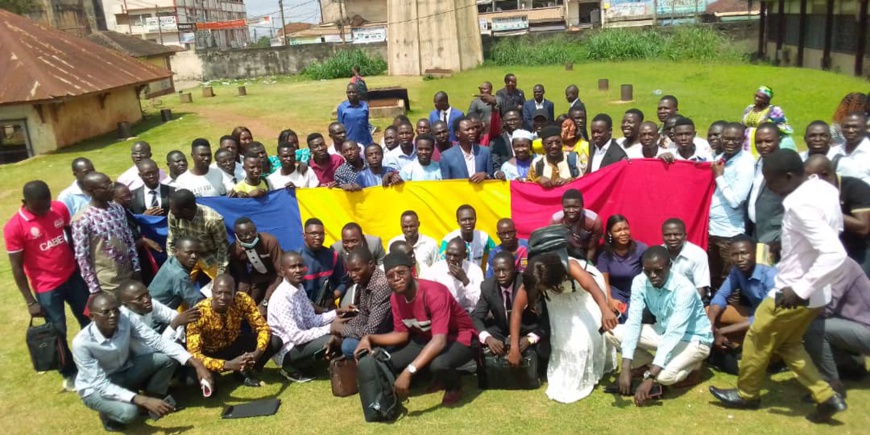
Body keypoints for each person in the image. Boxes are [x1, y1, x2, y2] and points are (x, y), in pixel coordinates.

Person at [710, 149, 848, 423]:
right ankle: (826, 396)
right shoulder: (823, 188)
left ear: (788, 177)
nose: (768, 187)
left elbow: (834, 252)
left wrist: (800, 288)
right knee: (788, 344)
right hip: (818, 293)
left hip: (792, 291)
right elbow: (831, 229)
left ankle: (747, 394)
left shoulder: (799, 204)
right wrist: (789, 244)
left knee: (757, 338)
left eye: (770, 181)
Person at [72, 293, 212, 432]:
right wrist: (142, 401)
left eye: (115, 310)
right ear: (92, 317)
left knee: (168, 358)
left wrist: (197, 363)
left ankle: (154, 400)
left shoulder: (125, 319)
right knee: (130, 413)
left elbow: (157, 340)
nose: (113, 315)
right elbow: (100, 384)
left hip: (125, 370)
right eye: (106, 312)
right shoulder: (82, 344)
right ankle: (107, 414)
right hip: (95, 388)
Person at [354, 252, 479, 407]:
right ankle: (430, 377)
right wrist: (369, 338)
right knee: (388, 362)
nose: (396, 278)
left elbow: (439, 341)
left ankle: (454, 387)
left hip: (460, 337)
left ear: (412, 271)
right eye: (390, 276)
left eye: (401, 272)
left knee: (439, 364)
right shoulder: (396, 297)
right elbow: (401, 334)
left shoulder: (435, 293)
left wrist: (409, 370)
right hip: (427, 338)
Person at [5, 180, 90, 390]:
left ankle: (95, 359)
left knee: (89, 318)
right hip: (47, 287)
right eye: (39, 206)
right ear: (25, 202)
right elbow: (16, 267)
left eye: (46, 204)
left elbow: (69, 233)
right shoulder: (14, 227)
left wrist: (79, 263)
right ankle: (69, 372)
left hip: (72, 276)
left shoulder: (58, 208)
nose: (45, 210)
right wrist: (30, 301)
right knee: (57, 332)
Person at [607, 246, 713, 405]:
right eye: (647, 271)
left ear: (670, 266)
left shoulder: (685, 289)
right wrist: (626, 367)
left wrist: (651, 377)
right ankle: (647, 367)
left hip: (693, 339)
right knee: (613, 333)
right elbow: (634, 322)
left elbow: (674, 335)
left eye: (658, 270)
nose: (652, 276)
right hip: (662, 331)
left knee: (664, 377)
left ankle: (694, 366)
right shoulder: (640, 281)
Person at [508, 250, 616, 403]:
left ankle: (594, 369)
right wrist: (514, 347)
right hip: (557, 301)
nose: (540, 290)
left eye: (542, 287)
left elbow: (591, 286)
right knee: (564, 339)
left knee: (587, 337)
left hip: (584, 294)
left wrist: (605, 310)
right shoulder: (533, 278)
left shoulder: (571, 267)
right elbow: (517, 311)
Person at [187, 274, 281, 387]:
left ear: (234, 292)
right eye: (218, 292)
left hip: (235, 345)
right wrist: (228, 364)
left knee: (274, 341)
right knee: (192, 380)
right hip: (211, 353)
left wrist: (256, 354)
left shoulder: (242, 299)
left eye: (228, 293)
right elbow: (194, 354)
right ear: (212, 292)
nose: (222, 297)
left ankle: (245, 370)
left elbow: (263, 328)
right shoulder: (198, 313)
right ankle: (220, 373)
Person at [267, 251, 348, 382]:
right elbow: (297, 337)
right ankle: (290, 367)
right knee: (333, 338)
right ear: (283, 271)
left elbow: (312, 320)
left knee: (342, 328)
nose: (298, 270)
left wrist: (337, 313)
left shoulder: (298, 288)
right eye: (293, 267)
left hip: (300, 342)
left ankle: (312, 363)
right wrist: (330, 329)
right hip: (288, 350)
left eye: (300, 266)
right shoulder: (282, 297)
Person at [706, 235, 776, 375]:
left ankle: (773, 357)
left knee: (763, 338)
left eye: (744, 253)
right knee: (710, 311)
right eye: (734, 254)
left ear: (755, 253)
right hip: (753, 313)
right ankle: (732, 346)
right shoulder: (737, 270)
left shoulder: (770, 274)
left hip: (773, 321)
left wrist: (724, 331)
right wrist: (710, 324)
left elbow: (766, 317)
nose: (739, 259)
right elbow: (721, 296)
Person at [804, 258, 870, 398]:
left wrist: (794, 312)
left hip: (866, 326)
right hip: (856, 325)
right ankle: (852, 368)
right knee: (814, 326)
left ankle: (831, 387)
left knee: (814, 329)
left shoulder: (840, 264)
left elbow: (827, 306)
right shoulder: (820, 264)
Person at [473, 251, 549, 369]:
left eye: (505, 270)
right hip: (502, 330)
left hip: (526, 329)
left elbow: (544, 319)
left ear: (514, 269)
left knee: (543, 349)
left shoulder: (527, 284)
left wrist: (530, 339)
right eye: (497, 271)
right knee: (474, 339)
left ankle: (539, 370)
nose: (501, 275)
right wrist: (488, 339)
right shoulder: (487, 286)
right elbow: (476, 316)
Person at [72, 172, 140, 295]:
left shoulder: (117, 208)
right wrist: (94, 289)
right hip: (106, 284)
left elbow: (128, 239)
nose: (112, 190)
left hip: (128, 276)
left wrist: (136, 268)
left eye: (111, 184)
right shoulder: (82, 219)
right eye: (106, 187)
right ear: (90, 191)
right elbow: (82, 257)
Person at [707, 123, 755, 291]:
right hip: (712, 230)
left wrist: (719, 177)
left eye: (736, 139)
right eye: (727, 138)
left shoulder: (745, 164)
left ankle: (730, 314)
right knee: (713, 276)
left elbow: (736, 201)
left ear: (743, 140)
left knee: (730, 281)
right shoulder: (721, 157)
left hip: (730, 234)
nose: (730, 142)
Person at [804, 155, 870, 276]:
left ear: (824, 174)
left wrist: (826, 210)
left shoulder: (856, 188)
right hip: (829, 251)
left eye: (810, 177)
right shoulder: (812, 191)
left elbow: (863, 227)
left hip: (859, 250)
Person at [331, 247, 393, 358]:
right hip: (372, 331)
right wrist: (341, 330)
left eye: (356, 269)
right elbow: (363, 313)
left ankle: (380, 357)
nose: (352, 275)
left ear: (371, 264)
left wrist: (342, 329)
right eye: (349, 271)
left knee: (348, 346)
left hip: (388, 335)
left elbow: (372, 330)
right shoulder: (365, 279)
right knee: (344, 339)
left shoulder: (382, 286)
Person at [167, 189, 229, 280]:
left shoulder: (213, 220)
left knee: (221, 285)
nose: (171, 212)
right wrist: (173, 266)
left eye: (174, 211)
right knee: (176, 282)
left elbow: (223, 248)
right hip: (185, 257)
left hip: (209, 256)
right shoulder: (173, 215)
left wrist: (221, 274)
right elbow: (172, 241)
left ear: (186, 211)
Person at [596, 215, 648, 323]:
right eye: (618, 230)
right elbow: (604, 281)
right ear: (610, 233)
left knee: (632, 316)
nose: (623, 233)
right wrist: (609, 300)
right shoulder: (604, 253)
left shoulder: (641, 249)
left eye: (626, 229)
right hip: (615, 292)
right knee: (613, 315)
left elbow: (648, 276)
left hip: (637, 291)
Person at [117, 280, 197, 345]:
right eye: (139, 299)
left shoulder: (148, 303)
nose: (146, 300)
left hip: (153, 341)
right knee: (171, 357)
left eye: (147, 294)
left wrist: (180, 335)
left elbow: (173, 315)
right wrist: (175, 324)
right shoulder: (126, 322)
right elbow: (156, 346)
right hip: (139, 356)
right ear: (126, 305)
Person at [746, 123, 785, 251]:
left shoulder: (786, 166)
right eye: (759, 142)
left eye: (768, 141)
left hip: (775, 236)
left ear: (779, 140)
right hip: (755, 231)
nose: (763, 146)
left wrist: (780, 238)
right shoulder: (757, 163)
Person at [230, 217, 282, 308]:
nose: (249, 236)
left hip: (275, 276)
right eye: (243, 235)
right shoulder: (235, 250)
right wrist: (242, 297)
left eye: (252, 232)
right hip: (257, 277)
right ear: (236, 236)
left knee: (264, 307)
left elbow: (280, 272)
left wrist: (266, 301)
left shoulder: (270, 241)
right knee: (247, 306)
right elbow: (243, 278)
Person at [425, 238, 484, 312]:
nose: (451, 258)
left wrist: (465, 280)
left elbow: (479, 302)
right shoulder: (435, 269)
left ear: (464, 256)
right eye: (448, 254)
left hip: (467, 313)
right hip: (442, 312)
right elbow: (426, 296)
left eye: (456, 255)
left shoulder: (475, 270)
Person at [300, 218, 348, 303]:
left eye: (321, 234)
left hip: (327, 309)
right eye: (313, 234)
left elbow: (343, 282)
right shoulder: (296, 259)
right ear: (304, 235)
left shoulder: (333, 256)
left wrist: (332, 298)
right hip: (303, 309)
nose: (318, 237)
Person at [148, 236, 203, 310]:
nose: (194, 256)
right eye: (189, 253)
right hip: (157, 315)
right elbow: (197, 301)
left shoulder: (172, 260)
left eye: (197, 252)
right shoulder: (179, 275)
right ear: (176, 251)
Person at [662, 218, 710, 298]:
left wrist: (683, 307)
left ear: (685, 236)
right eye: (667, 235)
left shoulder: (698, 254)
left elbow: (701, 289)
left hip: (693, 299)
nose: (672, 238)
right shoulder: (658, 254)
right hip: (666, 300)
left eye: (677, 234)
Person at [549, 189, 603, 261]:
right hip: (566, 252)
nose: (571, 210)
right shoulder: (555, 220)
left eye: (575, 207)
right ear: (563, 206)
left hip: (587, 251)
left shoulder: (594, 221)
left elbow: (592, 247)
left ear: (582, 206)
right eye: (567, 207)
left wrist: (588, 265)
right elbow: (553, 245)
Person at [742, 85, 796, 153]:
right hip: (747, 142)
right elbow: (743, 125)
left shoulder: (774, 110)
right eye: (756, 96)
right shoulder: (749, 108)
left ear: (767, 99)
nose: (756, 98)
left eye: (760, 97)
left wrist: (768, 124)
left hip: (763, 142)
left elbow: (785, 127)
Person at [440, 204, 496, 268]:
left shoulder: (484, 237)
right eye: (464, 220)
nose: (468, 222)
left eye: (471, 219)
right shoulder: (449, 240)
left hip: (476, 276)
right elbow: (441, 264)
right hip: (454, 276)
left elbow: (496, 255)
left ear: (476, 219)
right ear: (458, 222)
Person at [440, 117, 496, 181]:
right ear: (457, 134)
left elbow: (492, 177)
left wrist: (485, 175)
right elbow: (445, 183)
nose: (472, 132)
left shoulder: (485, 152)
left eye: (473, 129)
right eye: (467, 130)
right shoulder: (447, 156)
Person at [836, 112, 870, 185]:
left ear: (866, 128)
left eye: (855, 127)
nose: (850, 130)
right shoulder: (834, 151)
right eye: (846, 127)